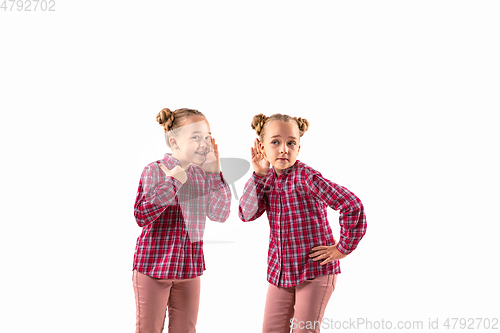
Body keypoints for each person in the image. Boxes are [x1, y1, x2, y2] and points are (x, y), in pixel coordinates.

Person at [238, 113, 367, 333]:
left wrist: (343, 248)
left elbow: (351, 205)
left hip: (314, 272)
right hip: (280, 272)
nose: (283, 149)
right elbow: (246, 214)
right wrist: (258, 174)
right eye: (275, 142)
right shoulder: (266, 179)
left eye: (291, 143)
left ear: (299, 148)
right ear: (261, 147)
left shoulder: (307, 177)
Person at [133, 108, 231, 333]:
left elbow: (220, 214)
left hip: (189, 269)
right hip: (153, 269)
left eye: (207, 136)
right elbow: (141, 215)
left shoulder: (204, 176)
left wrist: (215, 173)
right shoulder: (155, 171)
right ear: (174, 142)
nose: (204, 143)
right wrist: (174, 182)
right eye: (196, 137)